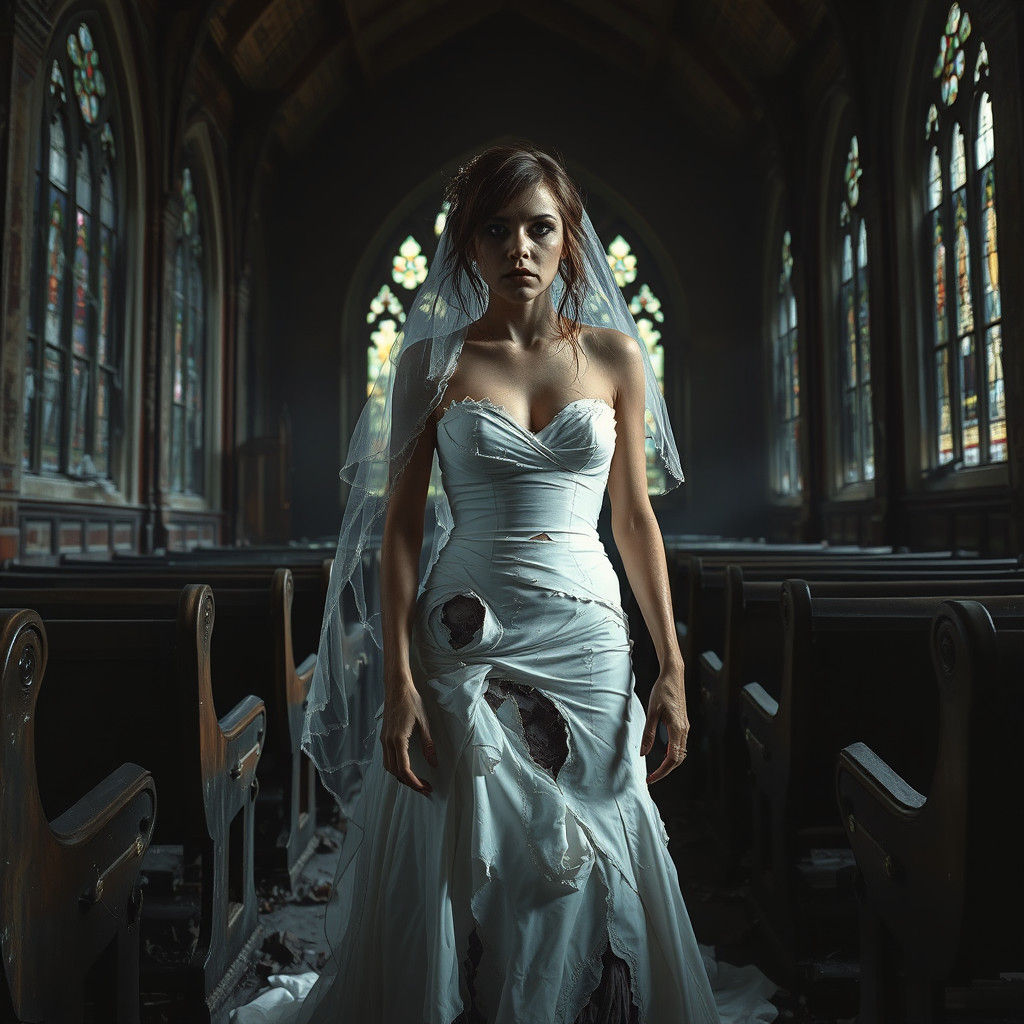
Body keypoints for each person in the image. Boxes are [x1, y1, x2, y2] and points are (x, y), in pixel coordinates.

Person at [233, 143, 779, 1024]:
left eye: (540, 228)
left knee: (598, 826)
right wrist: (399, 683)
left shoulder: (613, 358)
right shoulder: (433, 366)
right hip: (465, 626)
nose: (519, 247)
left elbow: (635, 519)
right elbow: (401, 525)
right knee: (470, 832)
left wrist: (671, 664)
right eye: (498, 229)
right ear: (469, 246)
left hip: (589, 631)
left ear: (568, 241)